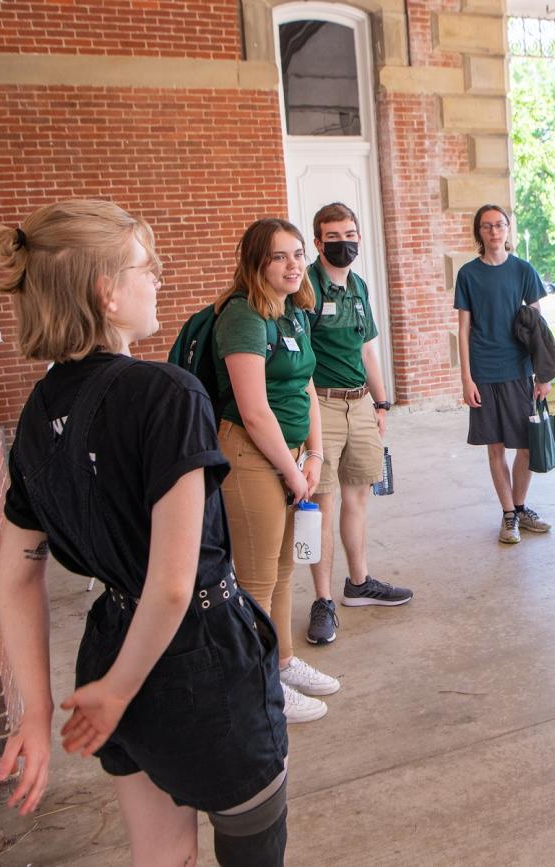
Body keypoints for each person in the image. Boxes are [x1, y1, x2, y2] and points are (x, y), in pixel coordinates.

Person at [0, 200, 289, 865]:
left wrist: (38, 709)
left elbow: (14, 575)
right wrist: (118, 690)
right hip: (200, 663)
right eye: (146, 268)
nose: (157, 279)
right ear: (107, 291)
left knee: (161, 855)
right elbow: (175, 583)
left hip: (108, 647)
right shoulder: (168, 394)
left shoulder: (39, 412)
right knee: (254, 843)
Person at [214, 218, 338, 721]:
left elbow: (305, 387)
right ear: (256, 263)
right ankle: (258, 686)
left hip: (289, 455)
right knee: (257, 578)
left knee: (285, 568)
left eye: (297, 254)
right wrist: (291, 471)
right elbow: (253, 410)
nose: (293, 265)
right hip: (250, 455)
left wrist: (315, 455)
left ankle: (282, 660)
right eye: (279, 256)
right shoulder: (243, 317)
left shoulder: (293, 313)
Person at [303, 202, 412, 647]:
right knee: (323, 504)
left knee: (358, 496)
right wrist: (307, 422)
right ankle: (323, 600)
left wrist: (382, 402)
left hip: (361, 405)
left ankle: (359, 582)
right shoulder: (306, 286)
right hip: (322, 406)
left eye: (349, 234)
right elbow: (300, 361)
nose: (343, 243)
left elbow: (368, 349)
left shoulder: (359, 285)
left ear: (359, 238)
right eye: (332, 237)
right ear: (317, 242)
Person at [455, 203, 552, 544]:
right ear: (479, 233)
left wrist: (543, 375)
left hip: (518, 370)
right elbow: (463, 329)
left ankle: (522, 508)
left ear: (508, 230)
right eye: (487, 227)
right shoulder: (468, 274)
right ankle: (508, 514)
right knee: (495, 447)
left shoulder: (524, 271)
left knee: (525, 446)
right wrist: (466, 379)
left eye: (499, 225)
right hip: (484, 371)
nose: (494, 232)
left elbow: (539, 329)